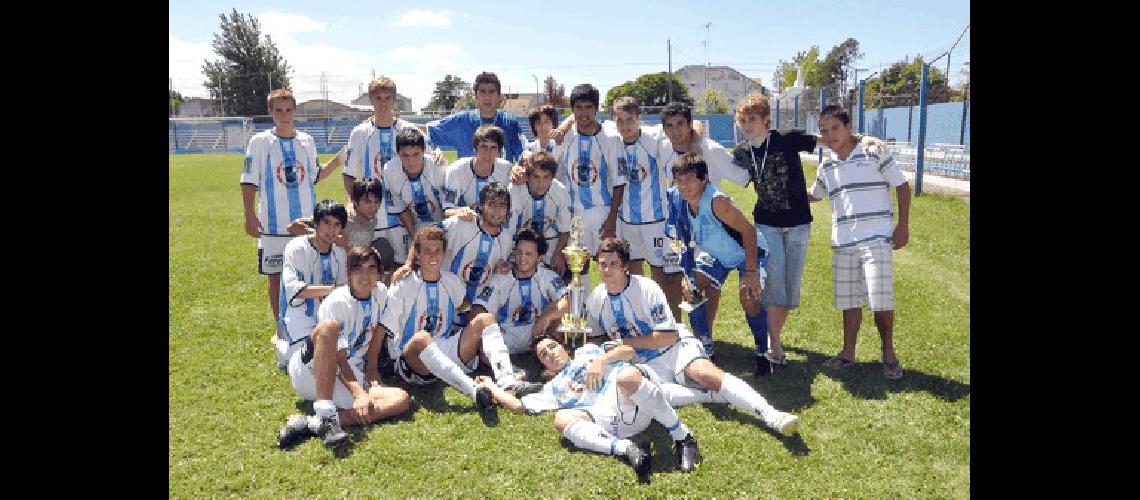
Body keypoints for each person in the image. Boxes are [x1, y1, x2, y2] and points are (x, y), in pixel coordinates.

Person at [584, 237, 800, 435]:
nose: (607, 270)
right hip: (641, 363)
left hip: (672, 349)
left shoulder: (646, 288)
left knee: (705, 374)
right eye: (602, 264)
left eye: (613, 264)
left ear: (624, 266)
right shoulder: (596, 298)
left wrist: (623, 343)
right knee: (636, 391)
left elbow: (667, 337)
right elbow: (594, 339)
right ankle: (710, 396)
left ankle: (771, 414)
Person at [732, 92, 882, 367]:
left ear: (767, 120)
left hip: (799, 223)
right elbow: (718, 162)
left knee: (790, 287)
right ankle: (773, 346)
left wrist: (863, 139)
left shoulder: (788, 138)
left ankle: (773, 338)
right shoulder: (742, 152)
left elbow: (830, 139)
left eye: (753, 119)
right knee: (775, 281)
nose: (748, 125)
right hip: (767, 223)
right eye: (743, 121)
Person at [476, 335, 701, 478]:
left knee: (627, 376)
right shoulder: (553, 388)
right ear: (543, 364)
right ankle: (628, 449)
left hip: (633, 399)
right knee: (561, 419)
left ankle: (683, 438)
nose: (550, 354)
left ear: (563, 346)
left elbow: (628, 352)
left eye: (552, 347)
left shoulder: (588, 351)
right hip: (609, 423)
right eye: (544, 355)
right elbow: (517, 406)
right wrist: (490, 385)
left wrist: (601, 362)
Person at [380, 226, 539, 406]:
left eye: (437, 251)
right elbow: (382, 329)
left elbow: (466, 312)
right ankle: (474, 391)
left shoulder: (452, 282)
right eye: (427, 252)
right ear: (417, 254)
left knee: (485, 319)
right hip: (413, 360)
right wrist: (372, 371)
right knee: (422, 338)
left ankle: (507, 381)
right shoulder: (402, 283)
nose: (433, 256)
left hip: (444, 350)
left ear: (443, 253)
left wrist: (481, 337)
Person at [808, 105, 911, 380]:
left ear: (848, 126)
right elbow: (815, 195)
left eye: (835, 128)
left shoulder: (873, 150)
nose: (830, 135)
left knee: (880, 300)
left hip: (876, 238)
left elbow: (901, 185)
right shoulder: (826, 164)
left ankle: (888, 354)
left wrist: (902, 226)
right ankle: (848, 353)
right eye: (824, 131)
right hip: (843, 242)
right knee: (849, 301)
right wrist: (786, 187)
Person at [277, 246, 413, 449]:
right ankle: (324, 411)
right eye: (359, 269)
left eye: (371, 269)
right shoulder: (337, 302)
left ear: (379, 273)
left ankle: (312, 423)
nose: (365, 276)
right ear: (349, 274)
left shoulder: (380, 293)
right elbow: (338, 357)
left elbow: (378, 332)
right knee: (328, 328)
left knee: (400, 400)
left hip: (348, 374)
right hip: (311, 371)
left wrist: (372, 370)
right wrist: (359, 393)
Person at [241, 88, 340, 344]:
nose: (284, 115)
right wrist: (249, 214)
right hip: (274, 226)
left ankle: (313, 321)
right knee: (276, 278)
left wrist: (338, 161)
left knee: (311, 273)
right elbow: (249, 181)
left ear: (295, 111)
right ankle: (280, 326)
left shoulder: (306, 141)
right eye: (278, 110)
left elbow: (315, 175)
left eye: (288, 110)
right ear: (270, 112)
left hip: (309, 224)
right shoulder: (260, 142)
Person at [671, 154, 775, 376]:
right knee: (692, 289)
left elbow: (748, 231)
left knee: (749, 298)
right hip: (716, 253)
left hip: (747, 252)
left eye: (689, 180)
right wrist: (688, 274)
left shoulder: (716, 201)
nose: (683, 186)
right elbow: (682, 239)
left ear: (704, 179)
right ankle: (705, 350)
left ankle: (763, 351)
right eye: (679, 181)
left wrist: (751, 271)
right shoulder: (679, 201)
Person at [397, 182, 516, 317]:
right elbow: (423, 237)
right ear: (481, 206)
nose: (497, 211)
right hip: (443, 307)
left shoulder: (507, 238)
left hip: (475, 312)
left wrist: (503, 267)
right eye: (492, 205)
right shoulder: (461, 223)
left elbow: (501, 269)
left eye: (502, 206)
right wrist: (408, 264)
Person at [343, 76, 425, 271]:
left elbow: (428, 158)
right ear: (371, 100)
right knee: (368, 268)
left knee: (402, 268)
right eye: (378, 98)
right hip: (370, 217)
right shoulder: (360, 133)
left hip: (401, 216)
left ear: (394, 100)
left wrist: (438, 155)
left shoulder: (408, 129)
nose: (383, 103)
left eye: (387, 98)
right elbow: (348, 174)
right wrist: (351, 202)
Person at [555, 84, 625, 302]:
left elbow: (619, 182)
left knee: (611, 267)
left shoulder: (611, 138)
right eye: (579, 108)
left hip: (604, 212)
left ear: (596, 109)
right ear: (572, 110)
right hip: (575, 215)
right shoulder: (565, 137)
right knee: (578, 269)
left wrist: (612, 220)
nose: (584, 113)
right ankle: (581, 317)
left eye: (588, 108)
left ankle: (615, 316)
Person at [274, 200, 351, 370]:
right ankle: (283, 347)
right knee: (310, 364)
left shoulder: (339, 253)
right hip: (298, 315)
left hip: (327, 315)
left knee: (342, 357)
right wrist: (333, 290)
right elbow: (296, 291)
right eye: (326, 223)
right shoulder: (296, 248)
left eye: (337, 225)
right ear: (315, 223)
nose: (331, 230)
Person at [470, 228, 568, 354]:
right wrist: (489, 331)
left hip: (537, 335)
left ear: (539, 257)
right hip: (506, 337)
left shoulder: (548, 276)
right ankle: (511, 370)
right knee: (484, 347)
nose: (522, 259)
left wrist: (547, 317)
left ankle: (546, 366)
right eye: (519, 252)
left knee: (559, 313)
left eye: (528, 254)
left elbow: (567, 299)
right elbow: (478, 309)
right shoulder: (501, 278)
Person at [424, 71, 527, 163]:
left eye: (491, 92)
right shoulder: (461, 120)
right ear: (476, 96)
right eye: (482, 92)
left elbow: (523, 155)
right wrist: (435, 150)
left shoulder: (509, 122)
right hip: (469, 182)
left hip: (501, 182)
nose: (487, 97)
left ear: (499, 96)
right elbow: (428, 130)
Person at [507, 150, 571, 274]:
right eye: (536, 177)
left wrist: (558, 255)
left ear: (553, 177)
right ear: (528, 176)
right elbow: (508, 233)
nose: (541, 183)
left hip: (550, 243)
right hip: (519, 245)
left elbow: (565, 230)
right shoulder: (515, 191)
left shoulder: (560, 192)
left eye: (546, 177)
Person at [442, 125, 517, 220]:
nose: (488, 153)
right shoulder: (456, 171)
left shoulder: (507, 169)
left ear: (499, 151)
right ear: (475, 149)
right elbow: (447, 211)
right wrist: (460, 212)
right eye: (483, 146)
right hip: (466, 225)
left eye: (493, 147)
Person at [382, 128, 447, 231]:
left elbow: (450, 206)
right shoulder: (390, 170)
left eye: (415, 154)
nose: (411, 162)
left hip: (444, 223)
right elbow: (401, 209)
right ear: (398, 153)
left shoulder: (437, 166)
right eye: (405, 155)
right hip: (416, 226)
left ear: (424, 151)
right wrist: (414, 238)